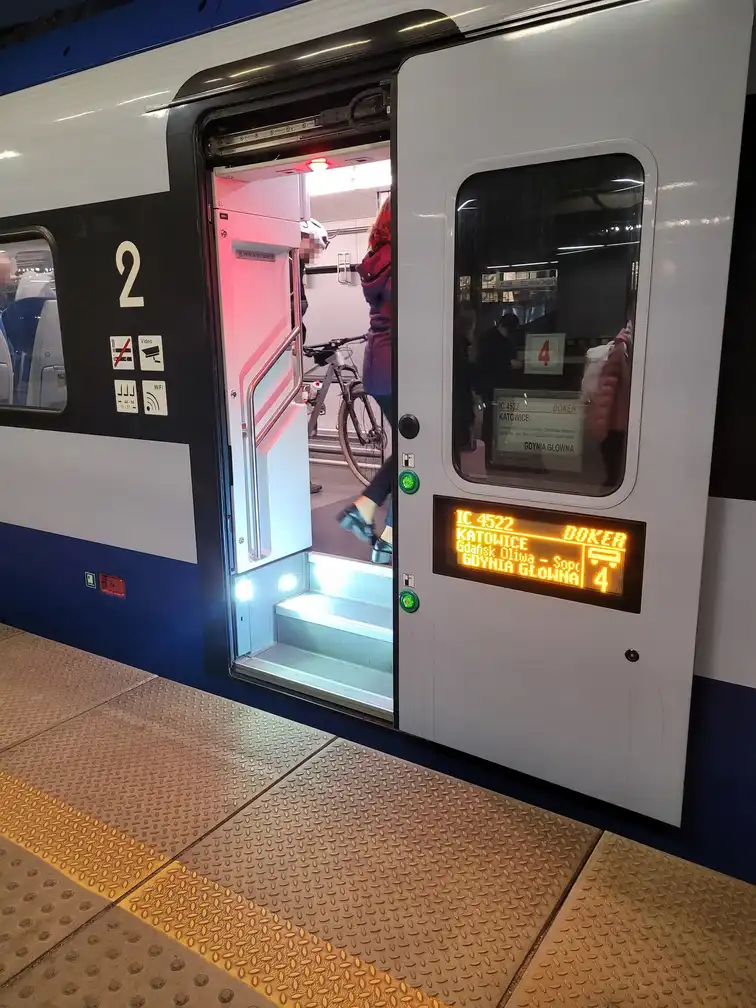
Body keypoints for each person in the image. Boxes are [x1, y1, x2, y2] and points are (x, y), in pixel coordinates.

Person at [338, 196, 394, 564]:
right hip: (402, 363)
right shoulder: (403, 260)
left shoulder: (377, 260)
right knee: (414, 454)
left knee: (410, 452)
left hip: (378, 364)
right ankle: (380, 528)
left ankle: (379, 528)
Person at [298, 219, 329, 493]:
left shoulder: (297, 268)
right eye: (315, 245)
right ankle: (296, 478)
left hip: (293, 347)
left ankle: (297, 477)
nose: (315, 253)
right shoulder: (285, 266)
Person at [475, 311, 523, 466]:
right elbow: (485, 363)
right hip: (492, 386)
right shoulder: (489, 339)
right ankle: (488, 453)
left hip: (499, 386)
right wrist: (509, 364)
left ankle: (493, 451)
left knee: (500, 420)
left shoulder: (492, 337)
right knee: (491, 421)